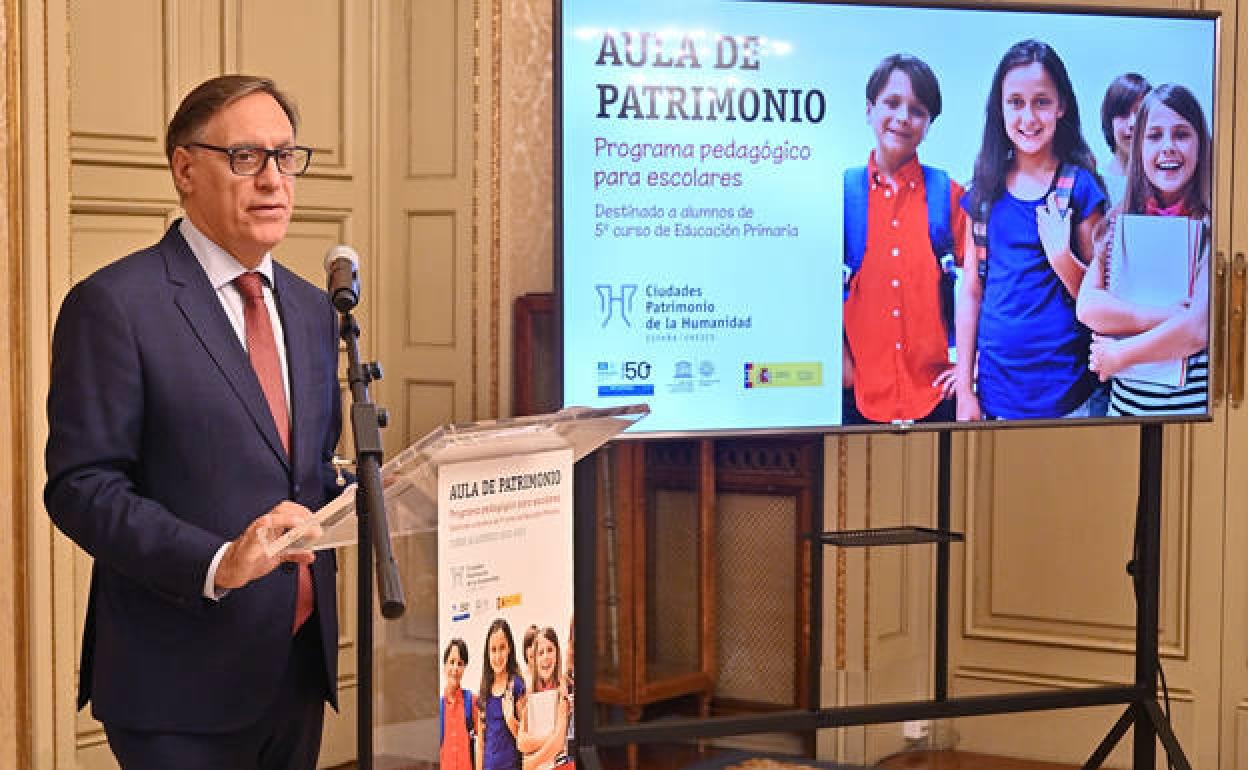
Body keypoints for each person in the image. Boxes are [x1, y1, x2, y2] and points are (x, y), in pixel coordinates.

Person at [44, 74, 343, 770]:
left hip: (295, 669)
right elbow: (82, 486)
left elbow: (306, 473)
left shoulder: (310, 309)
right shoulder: (115, 304)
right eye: (247, 157)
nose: (274, 180)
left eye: (286, 157)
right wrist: (218, 562)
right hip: (175, 685)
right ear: (185, 168)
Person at [955, 40, 1108, 421]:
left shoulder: (1081, 189)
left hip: (1069, 398)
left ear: (1061, 106)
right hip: (995, 396)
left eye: (1041, 101)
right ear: (1000, 109)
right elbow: (972, 290)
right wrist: (964, 392)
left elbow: (1100, 302)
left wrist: (1061, 256)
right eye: (1016, 102)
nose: (1029, 116)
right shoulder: (983, 194)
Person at [842, 54, 967, 424]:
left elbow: (987, 286)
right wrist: (838, 362)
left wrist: (973, 363)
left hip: (938, 398)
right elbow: (808, 293)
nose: (902, 118)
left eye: (917, 110)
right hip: (858, 397)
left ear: (928, 124)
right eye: (892, 103)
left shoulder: (949, 196)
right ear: (869, 109)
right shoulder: (843, 196)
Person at [1077, 84, 1211, 415]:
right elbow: (1089, 307)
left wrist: (1120, 355)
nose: (1168, 147)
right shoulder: (1119, 220)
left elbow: (1197, 329)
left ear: (1200, 145)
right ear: (1138, 148)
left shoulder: (1214, 226)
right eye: (1154, 136)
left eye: (1181, 134)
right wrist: (1168, 316)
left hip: (1191, 414)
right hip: (1125, 411)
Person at [517, 628, 572, 770]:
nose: (545, 657)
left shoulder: (563, 690)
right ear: (534, 659)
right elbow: (522, 742)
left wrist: (531, 763)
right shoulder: (529, 695)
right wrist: (550, 739)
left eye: (550, 650)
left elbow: (559, 742)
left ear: (557, 653)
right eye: (540, 653)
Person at [478, 618, 527, 770]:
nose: (498, 656)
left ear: (509, 648)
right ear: (487, 652)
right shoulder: (484, 690)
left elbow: (525, 738)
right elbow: (481, 743)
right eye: (493, 649)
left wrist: (510, 718)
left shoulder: (517, 686)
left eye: (502, 648)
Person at [1098, 73, 1151, 205]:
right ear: (1109, 122)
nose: (1133, 123)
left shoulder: (1165, 182)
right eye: (1123, 114)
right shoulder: (1094, 181)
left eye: (1140, 114)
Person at [441, 639, 476, 770]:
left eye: (460, 663)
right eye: (452, 662)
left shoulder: (471, 701)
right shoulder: (438, 709)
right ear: (444, 665)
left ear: (464, 668)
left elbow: (486, 741)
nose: (455, 668)